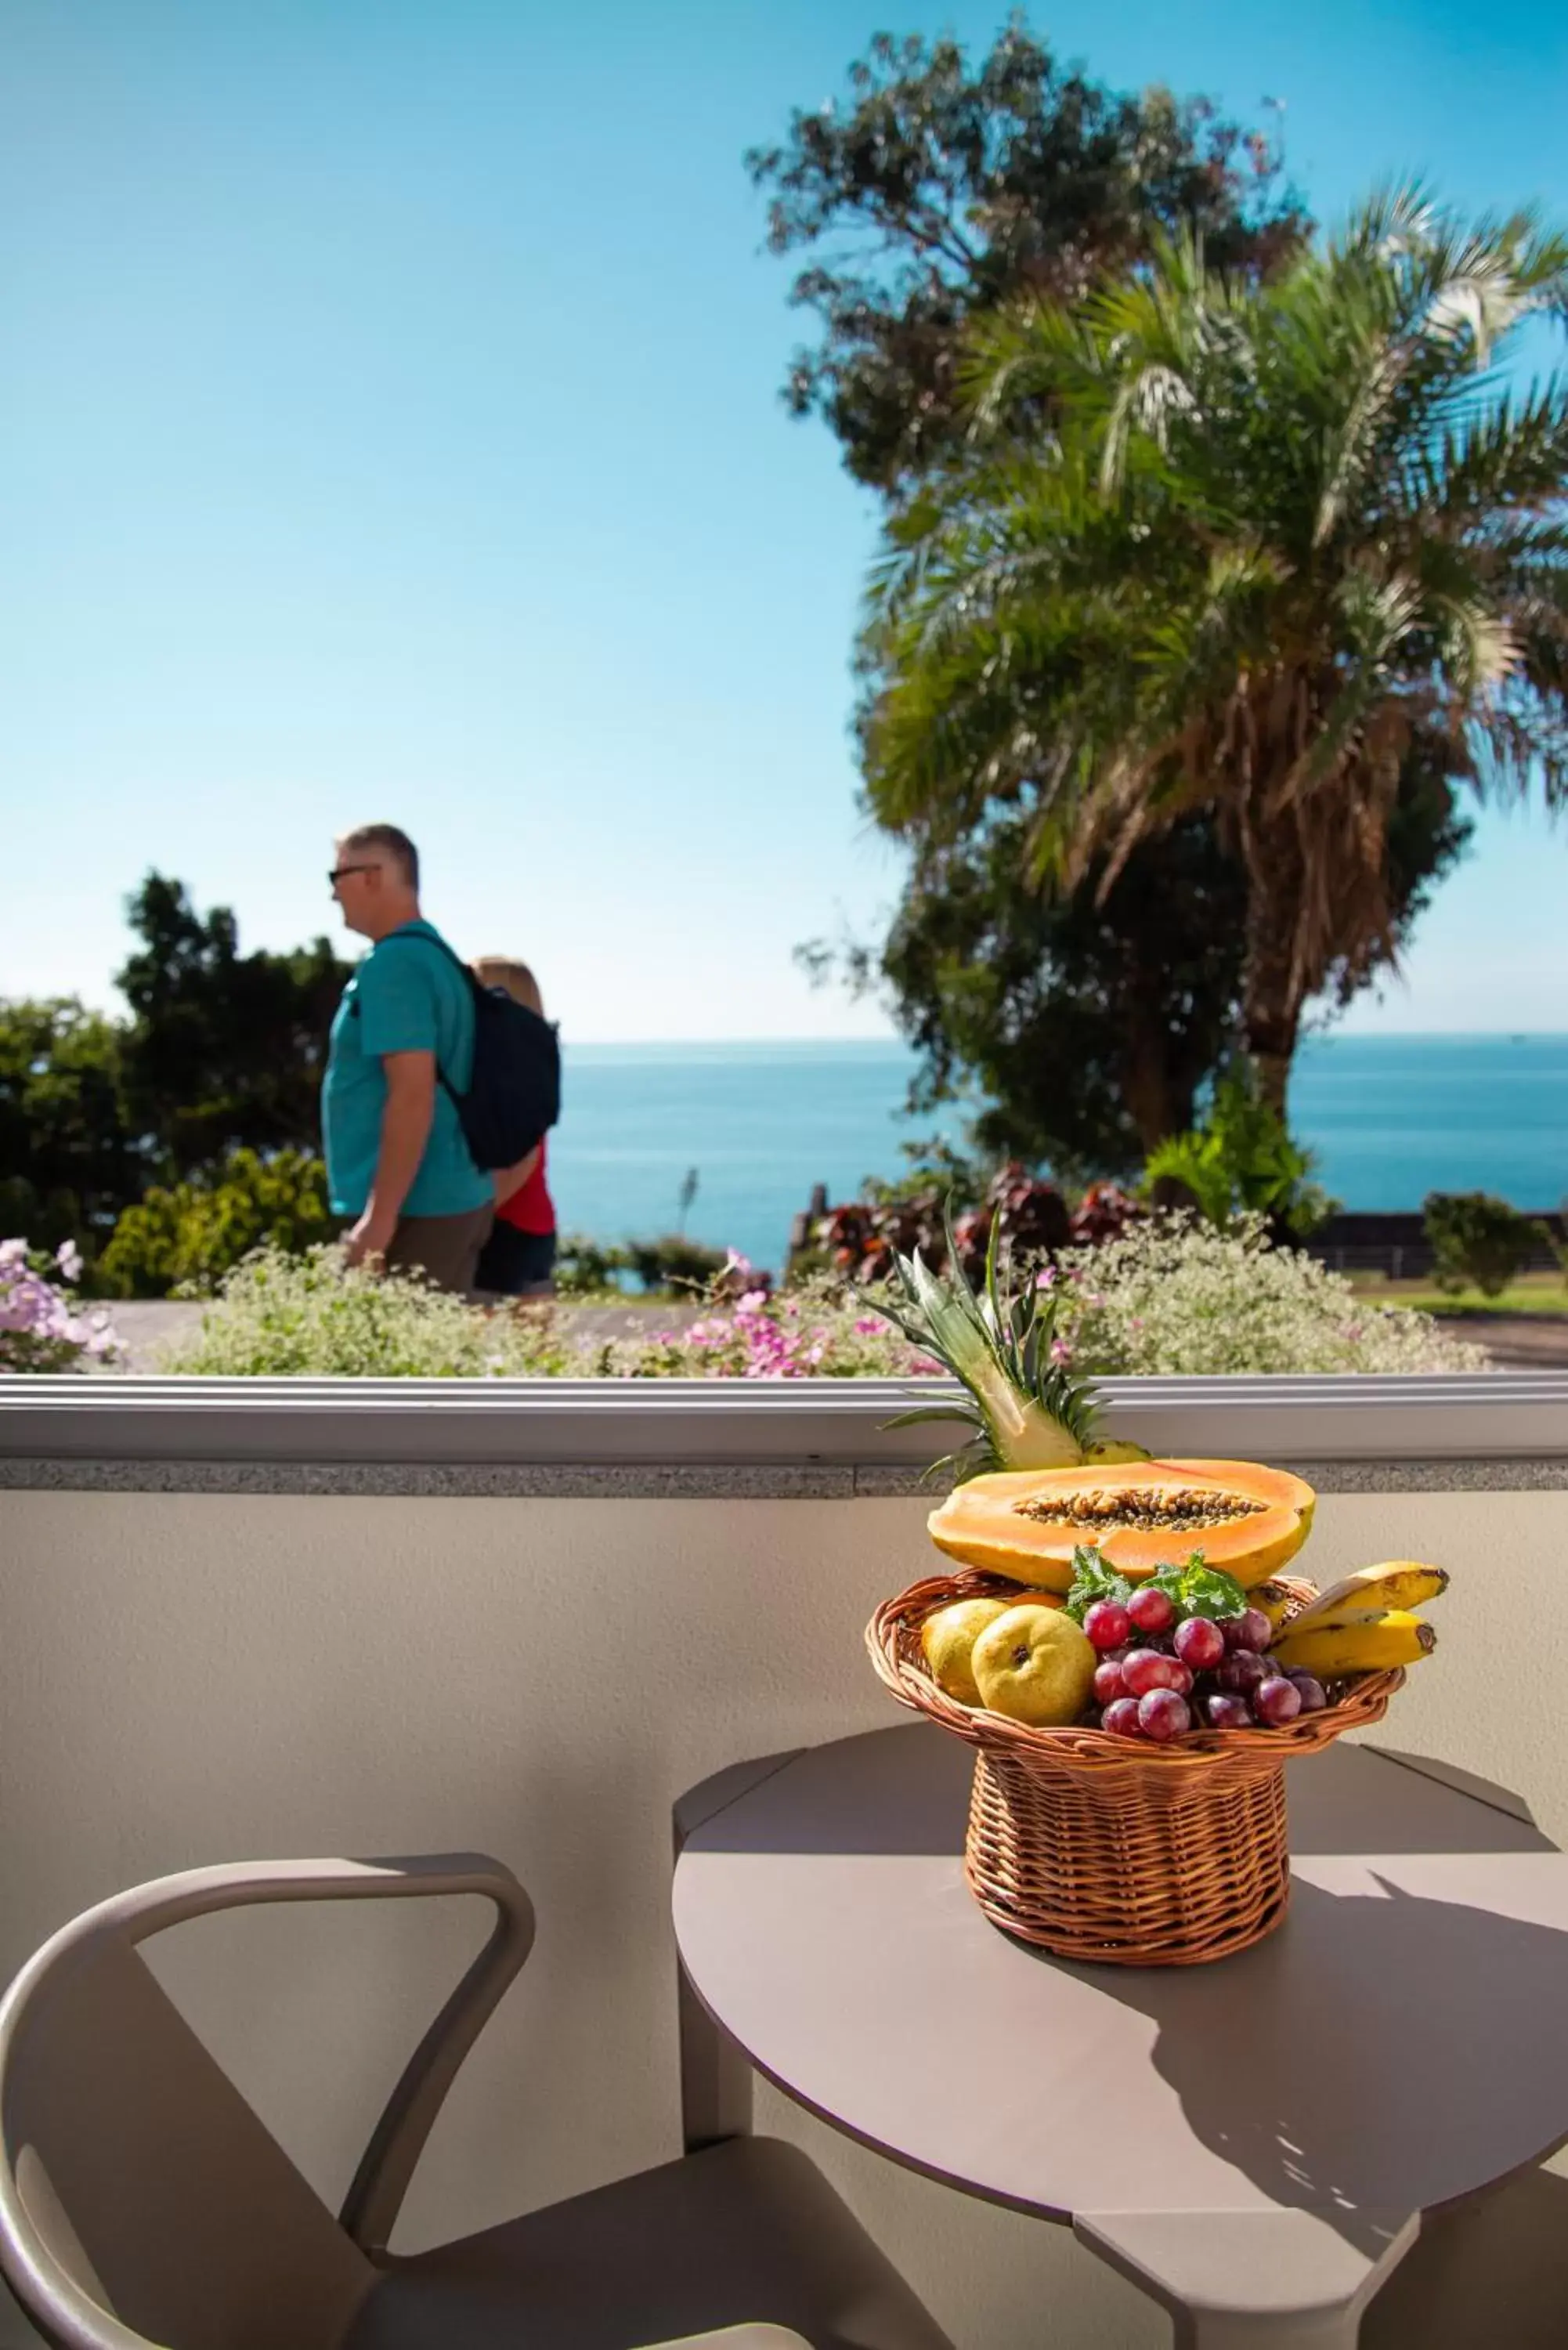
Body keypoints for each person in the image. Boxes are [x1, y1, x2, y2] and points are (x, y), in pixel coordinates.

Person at [323, 823, 495, 1295]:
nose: (334, 894)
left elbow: (412, 1095)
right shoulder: (436, 955)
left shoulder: (395, 965)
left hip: (419, 1209)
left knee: (384, 1365)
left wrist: (379, 1219)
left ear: (373, 876)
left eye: (337, 877)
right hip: (452, 1195)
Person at [471, 955, 558, 1296]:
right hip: (534, 1223)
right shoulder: (536, 1067)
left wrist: (469, 1219)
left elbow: (524, 1156)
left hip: (505, 1227)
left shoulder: (511, 1072)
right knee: (535, 1346)